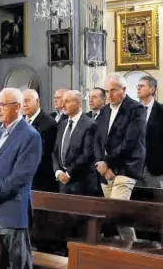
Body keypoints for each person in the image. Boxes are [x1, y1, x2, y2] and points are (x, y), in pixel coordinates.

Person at [0, 88, 42, 269]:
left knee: (17, 265)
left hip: (11, 212)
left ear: (17, 107)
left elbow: (20, 177)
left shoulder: (30, 136)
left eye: (2, 105)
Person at [94, 73, 146, 242]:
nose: (109, 95)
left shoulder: (136, 109)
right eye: (107, 91)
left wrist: (108, 164)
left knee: (117, 214)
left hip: (126, 167)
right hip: (105, 170)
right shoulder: (105, 110)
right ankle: (125, 253)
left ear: (124, 90)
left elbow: (130, 142)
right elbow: (97, 140)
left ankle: (135, 255)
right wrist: (101, 164)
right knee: (113, 217)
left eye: (113, 91)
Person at [52, 90, 96, 195]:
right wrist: (58, 172)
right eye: (62, 101)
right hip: (62, 183)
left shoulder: (89, 124)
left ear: (78, 103)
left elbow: (87, 155)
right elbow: (55, 151)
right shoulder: (62, 125)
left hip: (81, 184)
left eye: (67, 101)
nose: (63, 105)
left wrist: (68, 173)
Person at [22, 89, 58, 192]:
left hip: (40, 181)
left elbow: (42, 154)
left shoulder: (48, 124)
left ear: (37, 101)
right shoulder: (20, 121)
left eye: (27, 100)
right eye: (22, 101)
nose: (24, 104)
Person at [137, 76, 163, 188]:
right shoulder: (133, 110)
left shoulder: (161, 111)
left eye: (141, 86)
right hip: (135, 167)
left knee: (156, 202)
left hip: (155, 168)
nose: (138, 88)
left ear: (152, 89)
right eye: (137, 86)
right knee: (135, 202)